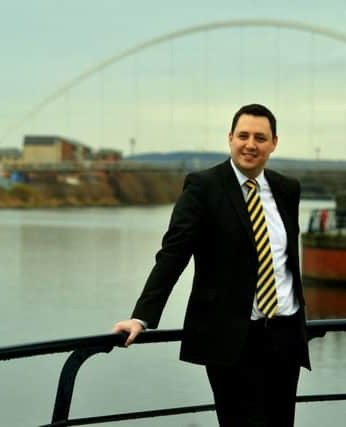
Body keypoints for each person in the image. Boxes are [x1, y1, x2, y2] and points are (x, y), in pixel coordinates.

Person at [112, 103, 310, 427]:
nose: (250, 144)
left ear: (274, 143)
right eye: (243, 135)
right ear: (230, 138)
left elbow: (283, 259)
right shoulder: (204, 187)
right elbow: (173, 254)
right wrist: (142, 317)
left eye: (260, 137)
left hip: (286, 333)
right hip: (232, 338)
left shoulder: (287, 189)